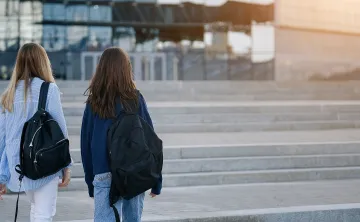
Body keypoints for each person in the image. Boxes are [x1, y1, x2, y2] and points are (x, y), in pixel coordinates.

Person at [81, 47, 162, 222]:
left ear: (101, 69)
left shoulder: (94, 102)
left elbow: (86, 145)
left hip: (103, 172)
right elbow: (151, 142)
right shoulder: (135, 99)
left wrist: (90, 182)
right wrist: (156, 181)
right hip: (134, 170)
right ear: (126, 69)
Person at [0, 43, 71, 222]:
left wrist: (2, 174)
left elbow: (2, 137)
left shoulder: (8, 94)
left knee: (36, 210)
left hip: (19, 165)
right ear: (43, 62)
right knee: (43, 214)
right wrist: (66, 166)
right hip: (44, 161)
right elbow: (60, 130)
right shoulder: (49, 89)